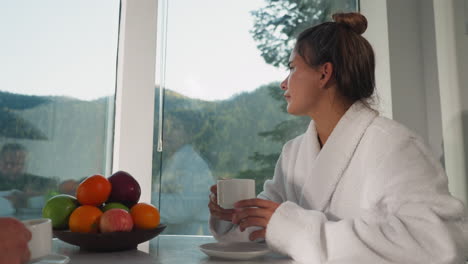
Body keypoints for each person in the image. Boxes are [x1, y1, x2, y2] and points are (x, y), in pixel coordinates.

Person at [208, 12, 468, 263]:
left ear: (324, 73)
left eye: (292, 68)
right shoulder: (293, 153)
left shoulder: (395, 146)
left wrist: (297, 231)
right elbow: (268, 226)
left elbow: (438, 245)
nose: (283, 83)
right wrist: (236, 215)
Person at [0, 143, 56, 209]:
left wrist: (37, 194)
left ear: (26, 164)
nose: (14, 168)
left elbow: (57, 188)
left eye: (20, 163)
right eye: (9, 162)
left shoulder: (35, 181)